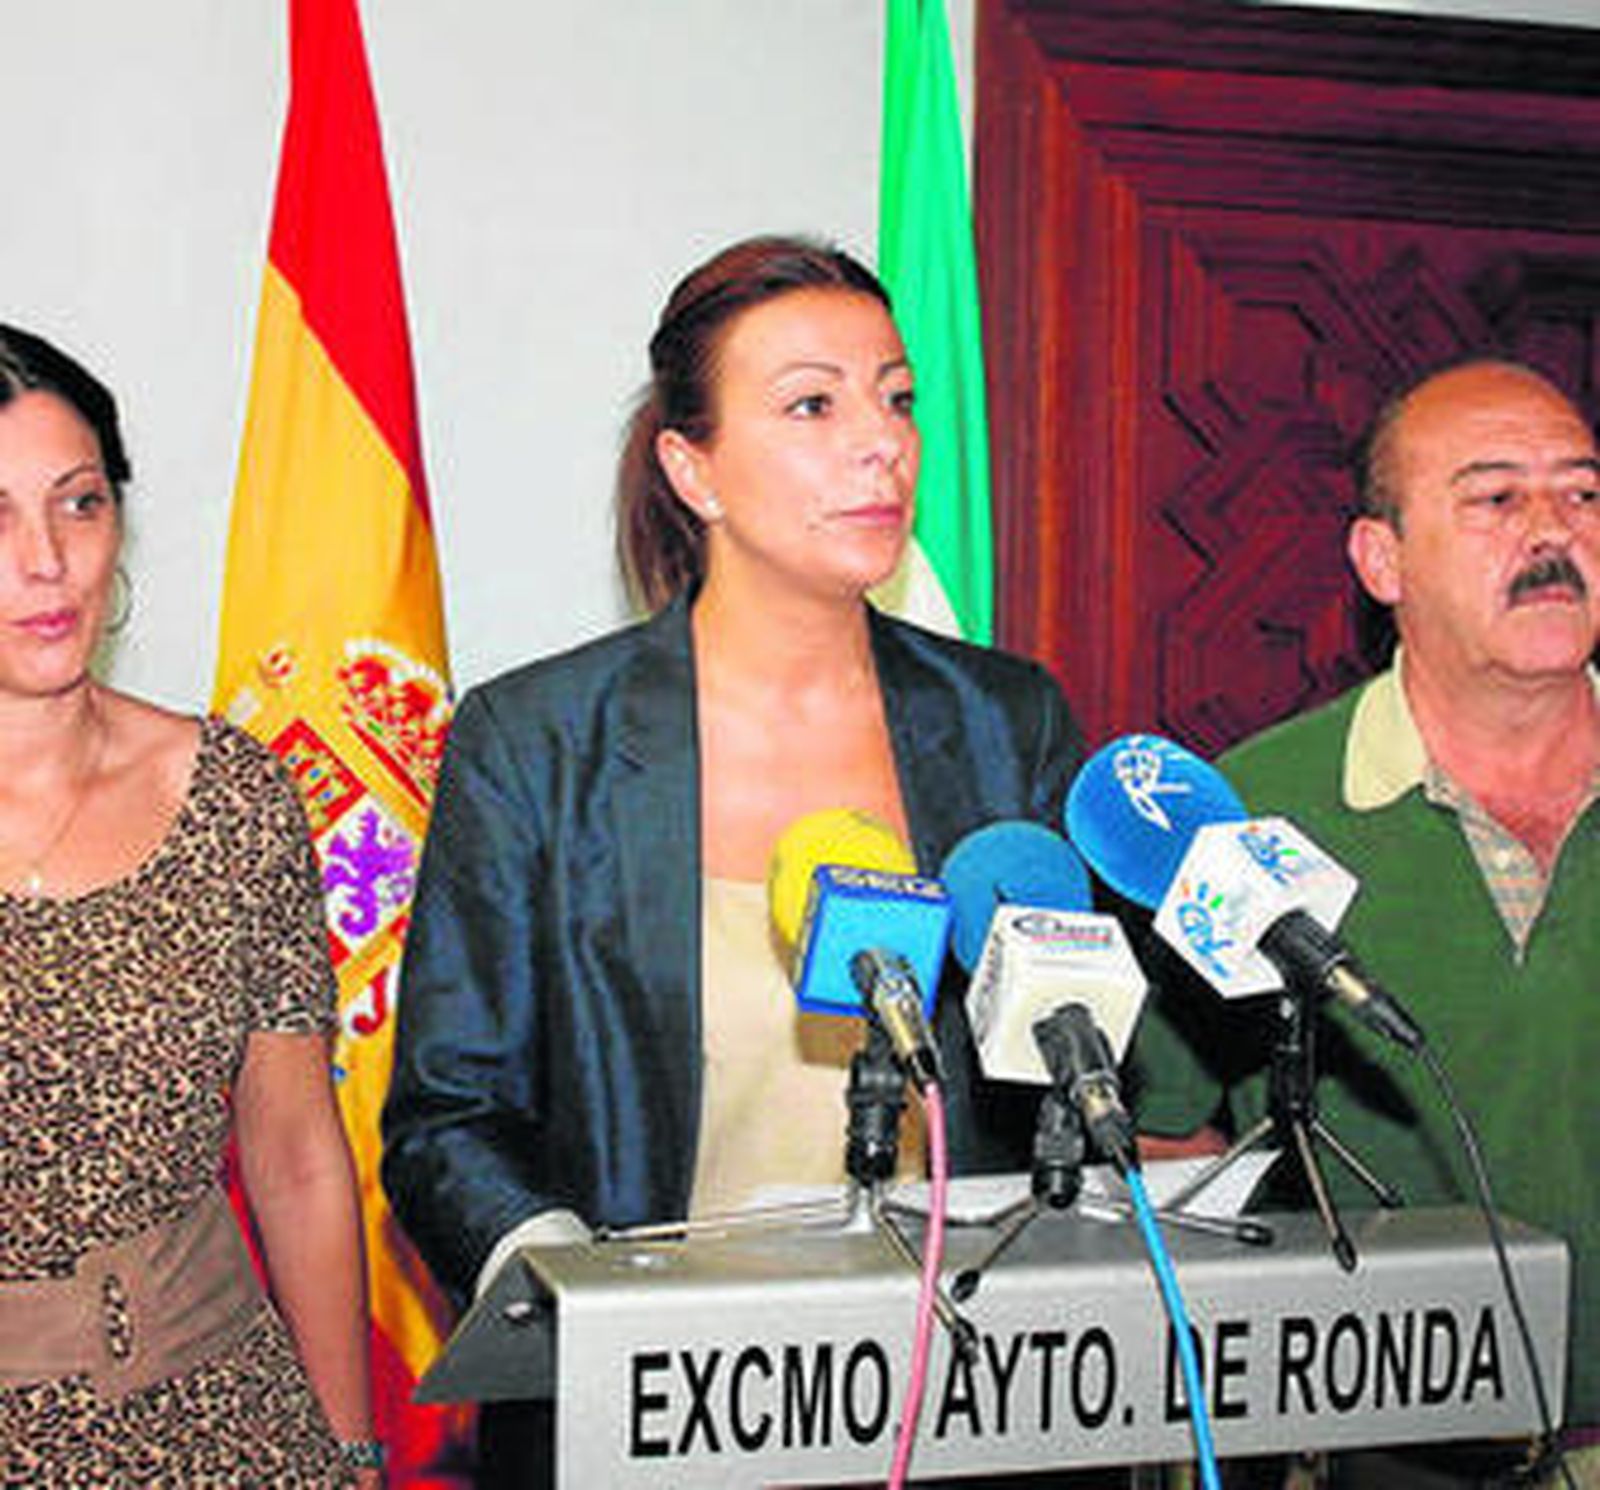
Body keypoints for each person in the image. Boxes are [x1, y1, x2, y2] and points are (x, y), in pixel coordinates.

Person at [381, 235, 1087, 1483]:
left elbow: (1054, 1062)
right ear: (690, 466)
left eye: (896, 396)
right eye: (814, 403)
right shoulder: (540, 739)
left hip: (960, 1404)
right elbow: (450, 1114)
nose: (882, 441)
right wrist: (583, 1303)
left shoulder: (1004, 720)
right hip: (657, 1409)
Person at [1143, 358, 1600, 1488]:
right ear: (1379, 560)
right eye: (1494, 497)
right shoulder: (1249, 820)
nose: (1551, 530)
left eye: (1583, 493)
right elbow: (1162, 1136)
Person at [0, 324, 382, 1484]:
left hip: (216, 1415)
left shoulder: (230, 794)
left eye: (78, 504)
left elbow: (295, 1150)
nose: (45, 560)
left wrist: (351, 1446)